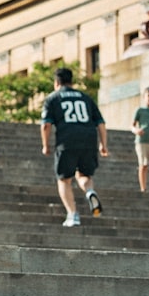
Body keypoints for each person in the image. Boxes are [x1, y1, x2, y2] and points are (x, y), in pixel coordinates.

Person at [40, 67, 108, 227]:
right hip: (89, 139)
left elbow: (46, 125)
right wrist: (103, 145)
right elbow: (101, 123)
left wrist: (45, 145)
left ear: (56, 82)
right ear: (71, 81)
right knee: (84, 175)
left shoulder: (53, 98)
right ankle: (90, 192)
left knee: (64, 179)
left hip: (67, 140)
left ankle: (72, 214)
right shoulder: (85, 98)